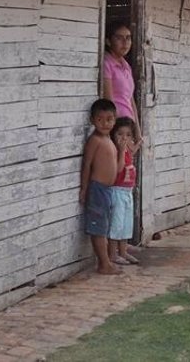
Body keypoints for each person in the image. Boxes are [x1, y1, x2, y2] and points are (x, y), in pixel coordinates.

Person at [80, 99, 124, 275]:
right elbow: (87, 165)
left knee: (104, 226)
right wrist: (84, 188)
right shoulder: (95, 140)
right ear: (92, 120)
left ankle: (106, 261)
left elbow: (118, 169)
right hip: (97, 189)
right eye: (100, 119)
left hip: (107, 190)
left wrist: (122, 151)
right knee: (98, 228)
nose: (105, 123)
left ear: (115, 119)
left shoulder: (110, 141)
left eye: (109, 119)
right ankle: (104, 264)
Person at [107, 117, 142, 265]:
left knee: (127, 224)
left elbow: (135, 147)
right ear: (113, 135)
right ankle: (112, 254)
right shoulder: (115, 150)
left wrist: (138, 140)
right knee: (117, 224)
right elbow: (119, 169)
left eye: (128, 135)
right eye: (120, 134)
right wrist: (121, 151)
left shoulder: (128, 150)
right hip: (117, 191)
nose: (124, 138)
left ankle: (123, 252)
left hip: (127, 192)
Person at [103, 20, 142, 139]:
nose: (125, 43)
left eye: (128, 38)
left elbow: (130, 100)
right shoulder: (107, 63)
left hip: (127, 127)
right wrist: (115, 131)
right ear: (108, 41)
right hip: (117, 129)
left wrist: (137, 130)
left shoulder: (126, 66)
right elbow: (108, 101)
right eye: (119, 38)